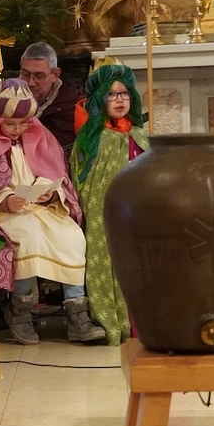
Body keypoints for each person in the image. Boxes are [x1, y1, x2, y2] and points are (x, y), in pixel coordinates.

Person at [0, 79, 106, 345]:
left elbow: (56, 172)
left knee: (71, 237)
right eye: (10, 124)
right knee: (28, 240)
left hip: (41, 208)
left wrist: (51, 193)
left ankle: (77, 315)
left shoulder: (40, 134)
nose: (18, 129)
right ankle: (20, 312)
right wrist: (4, 201)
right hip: (4, 212)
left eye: (23, 123)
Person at [71, 61, 149, 345]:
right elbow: (83, 182)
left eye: (124, 93)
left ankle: (144, 320)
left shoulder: (139, 135)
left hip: (139, 212)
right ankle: (112, 322)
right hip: (103, 212)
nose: (119, 100)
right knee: (107, 260)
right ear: (99, 98)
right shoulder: (91, 140)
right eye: (112, 94)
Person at [19, 42, 84, 155]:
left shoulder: (75, 107)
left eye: (39, 76)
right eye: (25, 74)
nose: (30, 83)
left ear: (55, 74)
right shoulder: (6, 100)